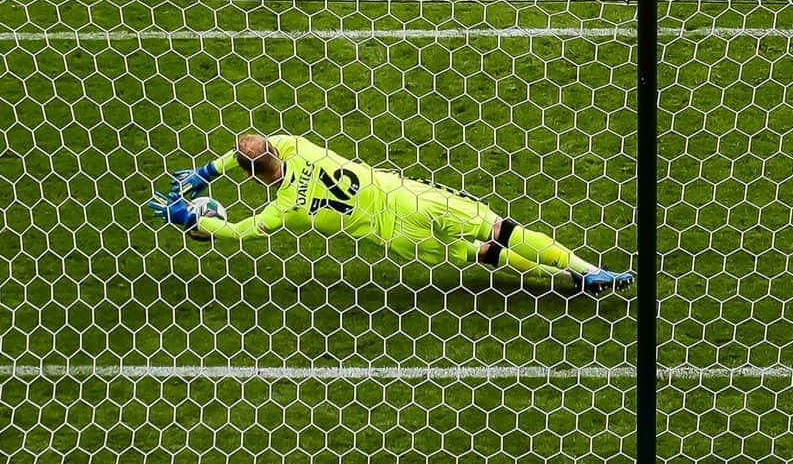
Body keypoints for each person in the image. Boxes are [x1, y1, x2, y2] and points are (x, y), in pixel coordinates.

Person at [148, 133, 633, 295]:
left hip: (395, 235)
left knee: (482, 252)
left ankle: (559, 283)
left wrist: (193, 220)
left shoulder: (284, 210)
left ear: (254, 176)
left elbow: (234, 231)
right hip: (407, 196)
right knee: (501, 228)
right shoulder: (298, 145)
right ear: (277, 148)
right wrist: (209, 170)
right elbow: (254, 148)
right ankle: (587, 271)